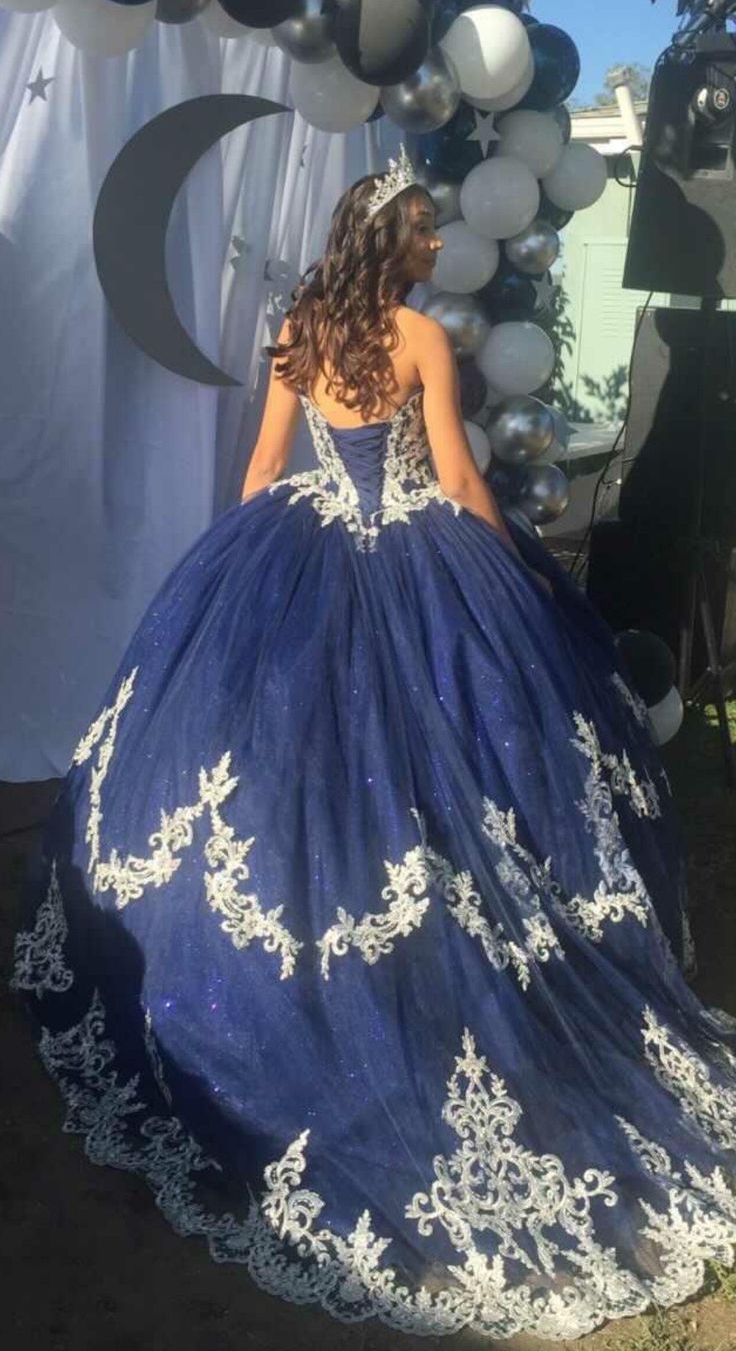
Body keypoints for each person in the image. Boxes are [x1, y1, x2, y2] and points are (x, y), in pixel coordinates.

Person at [12, 149, 736, 1344]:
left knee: (300, 776)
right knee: (440, 764)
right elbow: (453, 475)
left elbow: (260, 471)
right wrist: (521, 578)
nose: (437, 244)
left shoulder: (297, 329)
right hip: (414, 552)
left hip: (296, 545)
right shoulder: (418, 341)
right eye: (421, 231)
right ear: (386, 243)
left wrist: (222, 592)